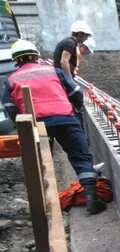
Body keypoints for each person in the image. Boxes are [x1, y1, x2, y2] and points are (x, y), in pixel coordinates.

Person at [2, 40, 107, 215]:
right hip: (65, 118)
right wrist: (75, 110)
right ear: (36, 56)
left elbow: (10, 107)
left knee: (41, 162)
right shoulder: (53, 71)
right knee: (81, 157)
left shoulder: (12, 79)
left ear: (16, 60)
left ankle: (46, 204)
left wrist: (23, 126)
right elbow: (75, 92)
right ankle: (91, 199)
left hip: (37, 124)